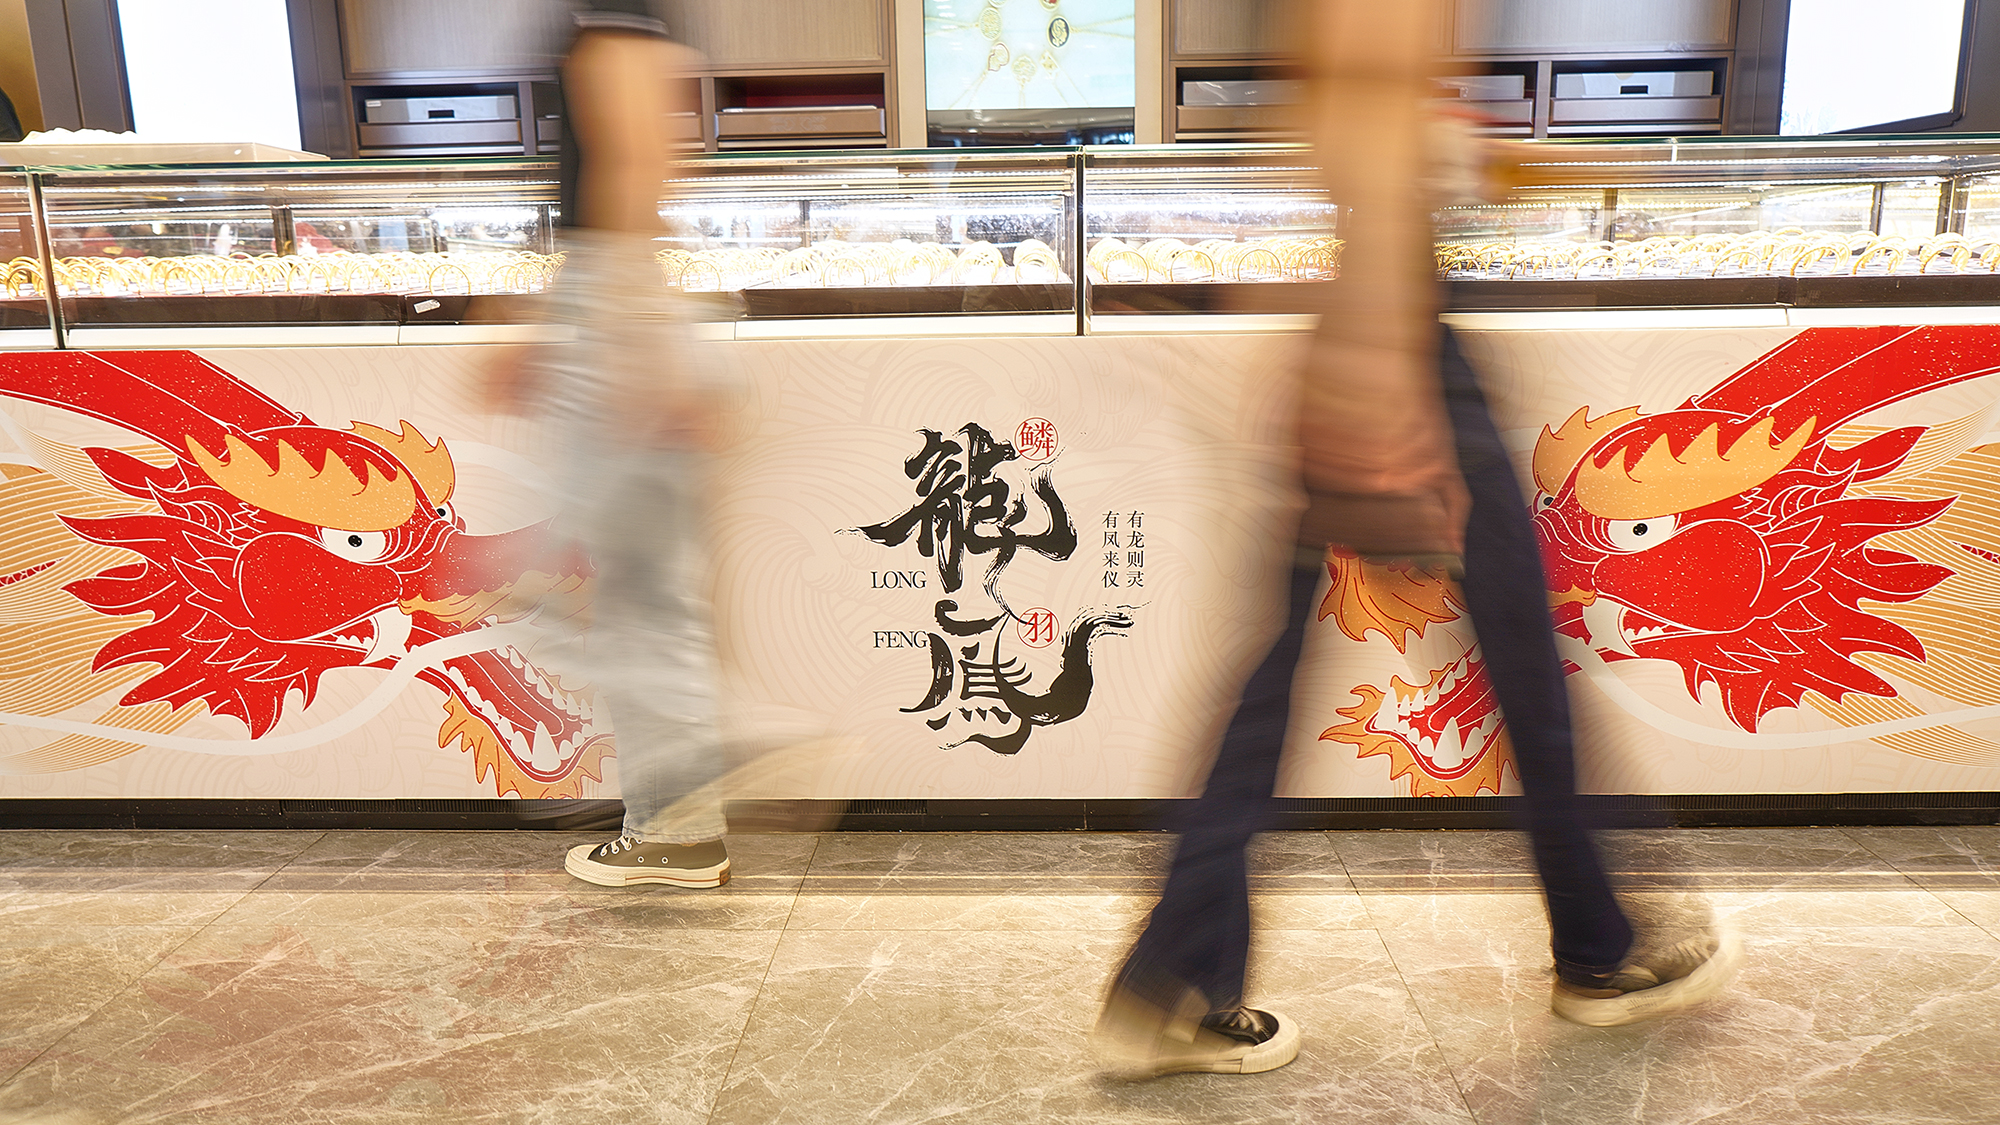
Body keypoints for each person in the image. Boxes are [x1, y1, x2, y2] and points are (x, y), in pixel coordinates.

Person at [1088, 0, 1740, 1078]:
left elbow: (1366, 154)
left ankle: (1178, 975)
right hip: (1401, 369)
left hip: (1362, 357)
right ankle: (1597, 948)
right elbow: (1381, 176)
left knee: (1282, 689)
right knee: (1522, 675)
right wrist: (1395, 418)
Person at [485, 1, 735, 889]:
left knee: (616, 593)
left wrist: (627, 339)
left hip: (617, 316)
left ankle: (697, 801)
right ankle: (675, 823)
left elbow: (637, 163)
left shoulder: (609, 23)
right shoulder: (631, 20)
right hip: (617, 306)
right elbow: (646, 163)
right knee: (639, 592)